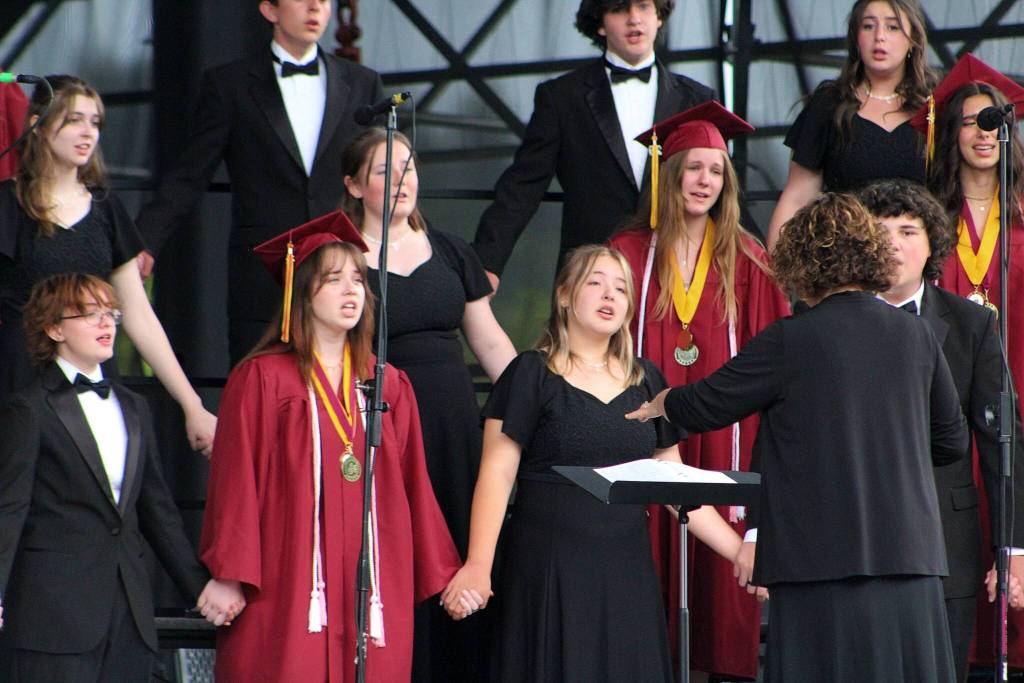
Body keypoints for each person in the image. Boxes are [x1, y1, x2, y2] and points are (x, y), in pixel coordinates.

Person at [629, 192, 968, 682]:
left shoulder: (792, 339)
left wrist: (662, 402)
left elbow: (709, 402)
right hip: (909, 557)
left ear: (801, 263)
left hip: (817, 563)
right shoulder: (916, 335)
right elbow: (952, 442)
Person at [442, 244, 749, 682]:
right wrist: (478, 566)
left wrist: (741, 552)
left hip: (625, 572)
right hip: (547, 567)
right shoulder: (531, 372)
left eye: (621, 288)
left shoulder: (647, 381)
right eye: (595, 283)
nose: (610, 295)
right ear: (564, 295)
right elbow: (497, 472)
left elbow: (675, 485)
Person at [199, 210, 463, 682]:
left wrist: (442, 572)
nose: (351, 291)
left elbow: (412, 484)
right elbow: (236, 480)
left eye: (359, 279)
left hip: (370, 577)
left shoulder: (387, 383)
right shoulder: (262, 378)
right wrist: (228, 572)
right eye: (334, 279)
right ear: (300, 291)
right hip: (289, 573)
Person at [609, 100, 789, 681]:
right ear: (668, 173)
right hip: (644, 435)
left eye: (716, 170)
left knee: (720, 597)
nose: (704, 180)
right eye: (693, 167)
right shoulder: (628, 254)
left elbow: (776, 356)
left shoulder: (749, 257)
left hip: (727, 439)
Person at [340, 127, 517, 681]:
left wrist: (540, 404)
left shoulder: (448, 250)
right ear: (353, 185)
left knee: (461, 552)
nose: (401, 182)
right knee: (393, 554)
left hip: (453, 430)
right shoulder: (339, 260)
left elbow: (488, 341)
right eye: (383, 172)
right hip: (379, 430)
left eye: (409, 168)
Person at [0, 273, 232, 681]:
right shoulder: (29, 409)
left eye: (111, 313)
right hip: (53, 616)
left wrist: (199, 587)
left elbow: (157, 511)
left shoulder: (134, 407)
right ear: (54, 328)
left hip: (127, 613)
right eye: (90, 314)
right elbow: (9, 508)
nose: (106, 324)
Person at [135, 0, 384, 363]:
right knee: (260, 396)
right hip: (263, 280)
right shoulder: (228, 84)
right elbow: (190, 173)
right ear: (269, 10)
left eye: (324, 0)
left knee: (343, 398)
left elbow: (382, 176)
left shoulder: (363, 83)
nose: (316, 7)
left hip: (342, 272)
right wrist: (144, 241)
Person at [857, 179, 1024, 682]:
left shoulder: (971, 325)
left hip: (945, 543)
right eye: (877, 230)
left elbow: (1002, 442)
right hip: (854, 538)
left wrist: (1012, 547)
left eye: (907, 230)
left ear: (932, 243)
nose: (891, 242)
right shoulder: (825, 319)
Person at [0, 75, 217, 454]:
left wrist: (191, 403)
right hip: (20, 382)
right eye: (73, 120)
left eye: (95, 122)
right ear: (37, 124)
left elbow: (138, 314)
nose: (87, 132)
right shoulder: (7, 204)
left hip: (90, 382)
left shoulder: (105, 208)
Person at [472, 0, 715, 289]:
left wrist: (762, 261)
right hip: (590, 276)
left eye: (644, 6)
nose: (634, 19)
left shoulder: (698, 99)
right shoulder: (561, 97)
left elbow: (722, 188)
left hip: (675, 274)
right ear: (599, 23)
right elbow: (522, 187)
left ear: (659, 16)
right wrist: (486, 261)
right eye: (619, 8)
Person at [912, 52, 1024, 672]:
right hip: (946, 404)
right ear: (947, 131)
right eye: (970, 122)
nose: (984, 134)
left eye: (993, 123)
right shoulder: (924, 225)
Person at [766, 0, 934, 251]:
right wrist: (777, 275)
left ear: (913, 40)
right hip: (846, 261)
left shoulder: (934, 108)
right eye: (868, 26)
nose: (879, 37)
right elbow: (798, 197)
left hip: (916, 261)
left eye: (893, 27)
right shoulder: (829, 103)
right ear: (856, 38)